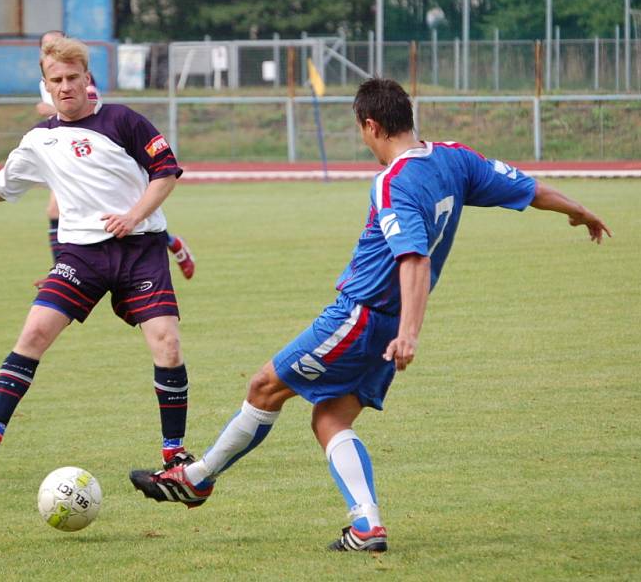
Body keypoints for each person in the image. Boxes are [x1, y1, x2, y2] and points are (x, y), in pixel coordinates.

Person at [129, 78, 612, 553]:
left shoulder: (393, 183)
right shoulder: (454, 158)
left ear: (372, 125)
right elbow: (527, 187)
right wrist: (581, 210)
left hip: (360, 318)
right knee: (330, 418)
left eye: (361, 131)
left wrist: (409, 334)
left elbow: (414, 257)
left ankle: (196, 479)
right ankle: (367, 526)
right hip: (384, 327)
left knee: (263, 387)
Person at [0, 36, 195, 471]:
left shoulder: (123, 120)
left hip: (140, 250)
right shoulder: (38, 141)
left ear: (88, 80)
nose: (66, 86)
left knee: (166, 343)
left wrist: (132, 216)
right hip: (80, 258)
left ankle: (174, 454)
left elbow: (166, 174)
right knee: (33, 333)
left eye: (74, 77)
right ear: (46, 86)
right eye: (57, 80)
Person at [36, 30, 195, 280]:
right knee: (57, 211)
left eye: (56, 41)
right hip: (65, 150)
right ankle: (62, 272)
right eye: (46, 44)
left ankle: (172, 242)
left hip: (93, 151)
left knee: (121, 209)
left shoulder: (78, 74)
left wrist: (49, 109)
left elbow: (90, 103)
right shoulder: (47, 79)